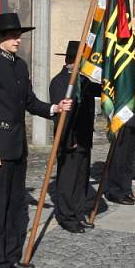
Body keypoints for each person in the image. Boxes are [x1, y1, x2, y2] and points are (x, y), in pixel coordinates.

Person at [0, 13, 72, 268]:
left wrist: (54, 108)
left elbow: (30, 101)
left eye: (19, 35)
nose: (18, 40)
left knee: (16, 207)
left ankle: (13, 256)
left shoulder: (19, 66)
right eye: (13, 36)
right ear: (0, 38)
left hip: (17, 146)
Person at [49, 41, 100, 233]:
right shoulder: (59, 82)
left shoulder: (83, 81)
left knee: (81, 179)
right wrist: (68, 139)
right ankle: (66, 216)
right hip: (69, 140)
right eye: (81, 60)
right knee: (68, 180)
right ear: (70, 60)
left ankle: (79, 213)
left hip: (84, 138)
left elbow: (102, 89)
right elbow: (61, 116)